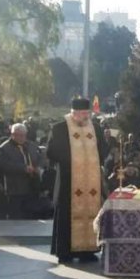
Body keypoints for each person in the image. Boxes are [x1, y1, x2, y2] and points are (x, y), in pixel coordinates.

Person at [47, 97, 107, 264]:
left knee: (90, 212)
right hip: (68, 180)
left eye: (86, 114)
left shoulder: (95, 128)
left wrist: (94, 160)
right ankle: (64, 252)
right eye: (80, 114)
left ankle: (87, 251)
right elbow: (51, 152)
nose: (84, 117)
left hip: (91, 181)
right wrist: (73, 159)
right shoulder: (60, 128)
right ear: (72, 113)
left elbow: (104, 148)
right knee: (67, 214)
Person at [0, 123, 46, 219]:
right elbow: (4, 165)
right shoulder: (4, 148)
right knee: (16, 215)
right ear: (12, 135)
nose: (21, 138)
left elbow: (40, 158)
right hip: (15, 188)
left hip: (32, 186)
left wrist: (39, 167)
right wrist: (23, 168)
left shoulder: (31, 145)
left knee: (31, 214)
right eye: (17, 135)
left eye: (23, 135)